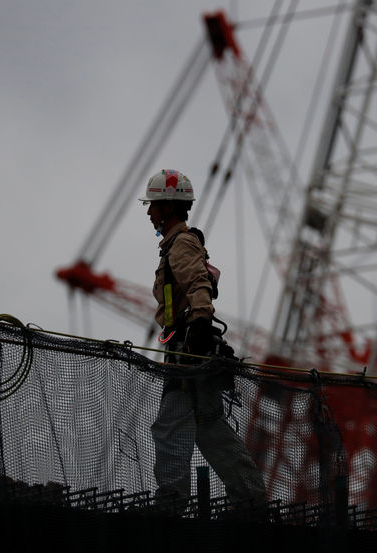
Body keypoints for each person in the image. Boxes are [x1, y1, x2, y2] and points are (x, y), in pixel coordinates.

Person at [140, 169, 266, 509]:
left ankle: (171, 501)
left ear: (167, 208)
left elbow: (197, 283)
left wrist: (198, 323)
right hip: (190, 348)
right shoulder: (176, 245)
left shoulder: (181, 243)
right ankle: (250, 497)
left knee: (169, 426)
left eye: (152, 205)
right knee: (210, 427)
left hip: (187, 351)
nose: (149, 212)